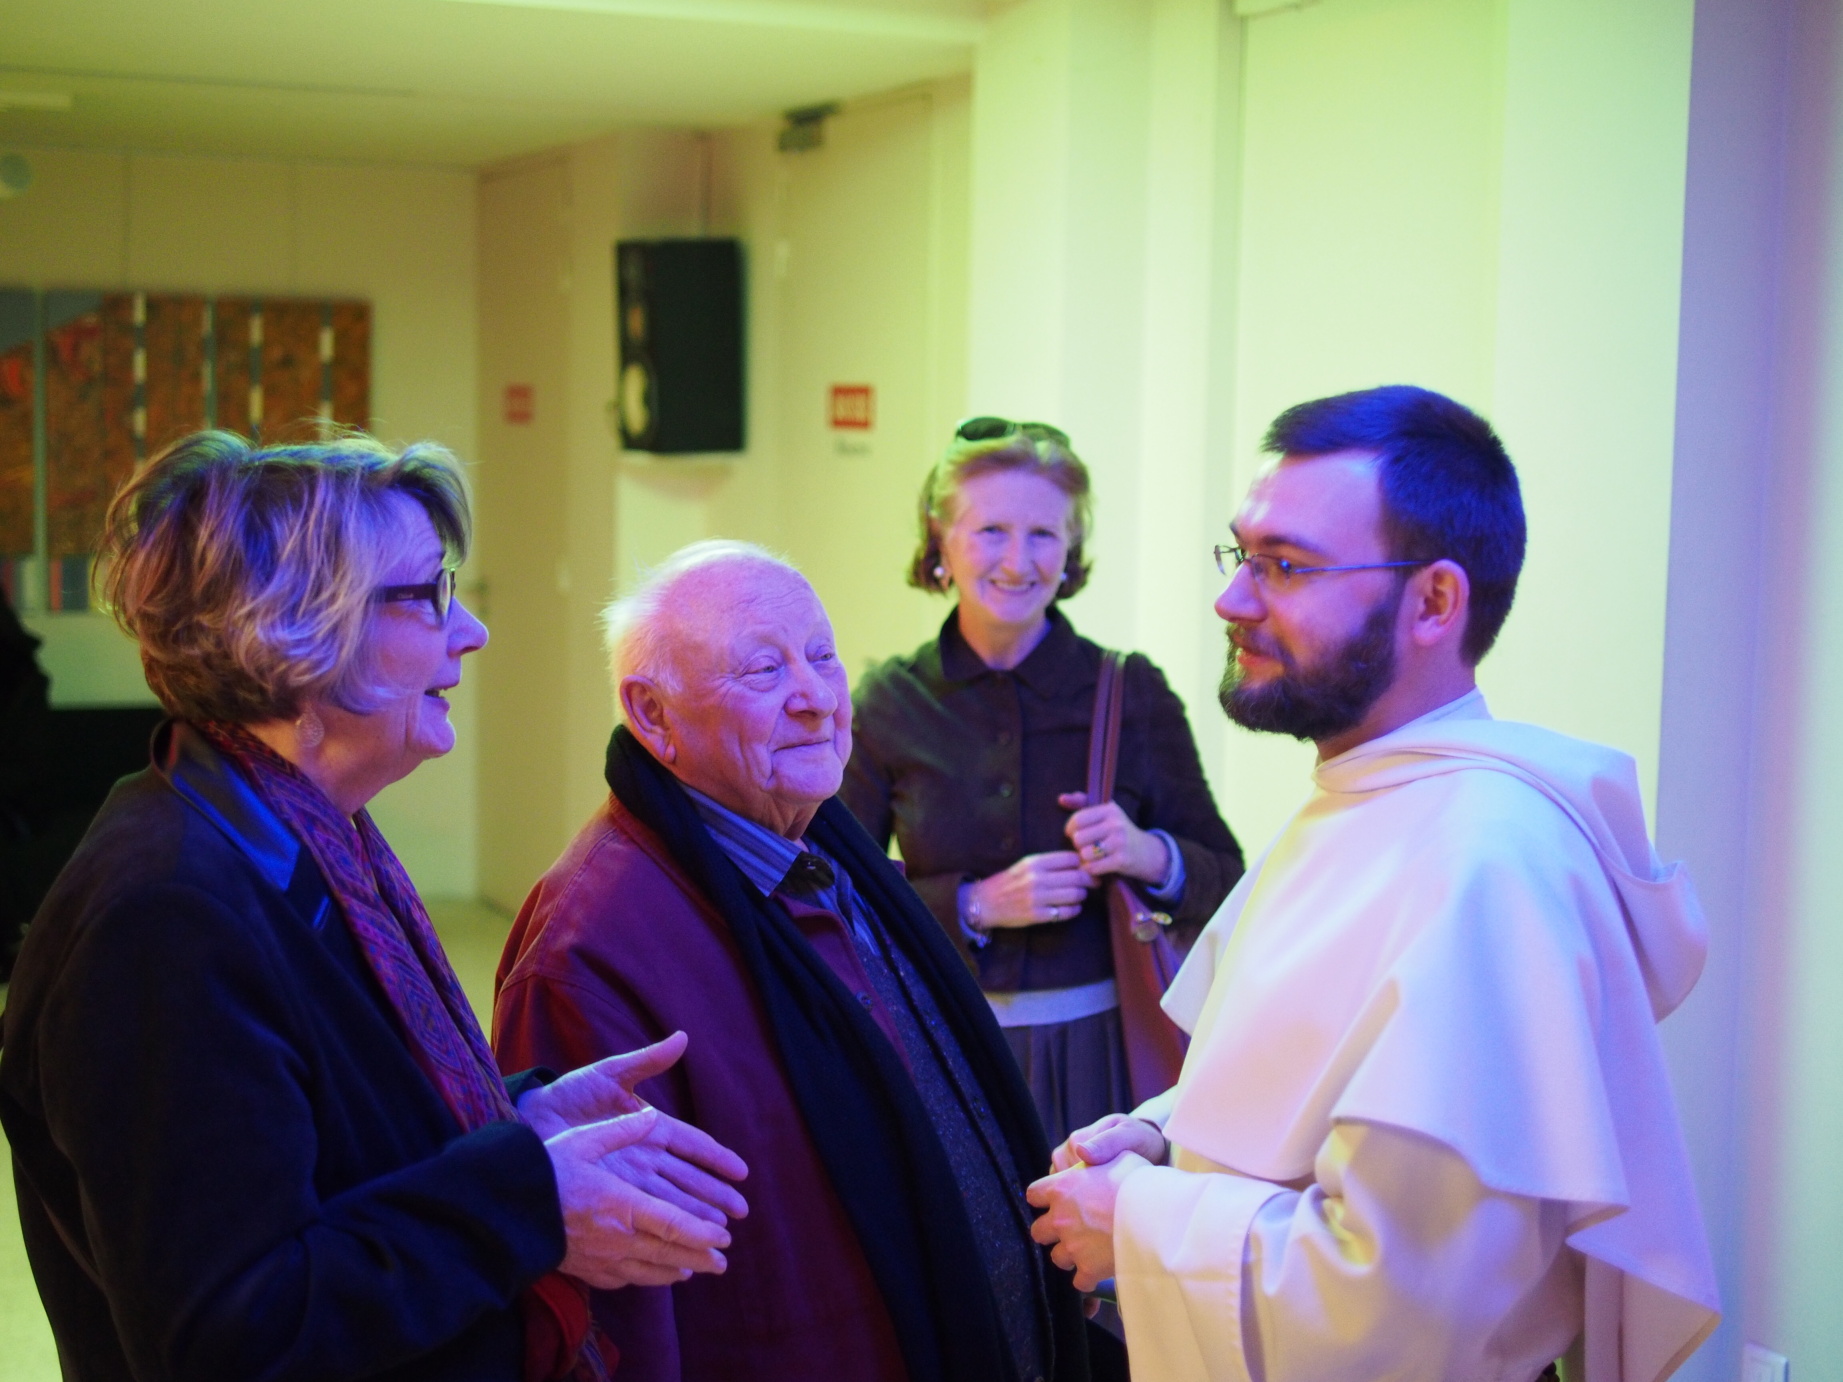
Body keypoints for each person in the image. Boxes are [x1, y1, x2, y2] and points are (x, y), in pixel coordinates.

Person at [0, 431, 749, 1382]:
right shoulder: (164, 917)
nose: (470, 631)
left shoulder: (297, 829)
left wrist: (516, 1118)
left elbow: (328, 1145)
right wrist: (528, 1194)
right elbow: (238, 1334)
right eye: (428, 593)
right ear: (294, 629)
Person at [1025, 386, 1720, 1381]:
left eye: (1285, 565)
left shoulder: (1488, 867)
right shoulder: (1368, 795)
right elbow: (1308, 1089)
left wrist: (1136, 1221)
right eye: (1239, 555)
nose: (1232, 600)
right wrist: (1160, 1135)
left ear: (1433, 601)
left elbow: (1398, 1309)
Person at [493, 540, 1093, 1382]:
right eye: (763, 670)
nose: (815, 698)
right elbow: (614, 1317)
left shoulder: (825, 852)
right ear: (653, 714)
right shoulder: (590, 947)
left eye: (821, 656)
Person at [843, 418, 1243, 1147]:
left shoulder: (1129, 690)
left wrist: (1147, 853)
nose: (1017, 561)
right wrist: (971, 904)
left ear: (1072, 548)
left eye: (1043, 535)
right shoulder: (887, 702)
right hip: (940, 1048)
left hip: (1100, 1053)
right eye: (990, 530)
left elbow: (1226, 878)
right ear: (940, 538)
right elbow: (834, 894)